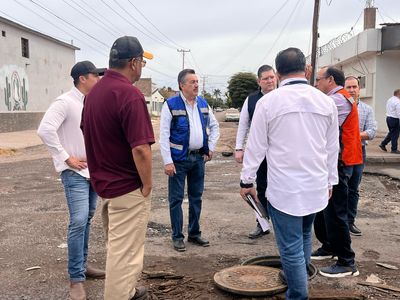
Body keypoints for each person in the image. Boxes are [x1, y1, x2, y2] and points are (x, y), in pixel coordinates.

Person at [240, 48, 339, 299]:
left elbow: (256, 146)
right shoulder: (325, 102)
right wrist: (330, 181)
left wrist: (247, 180)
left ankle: (297, 293)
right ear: (306, 70)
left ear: (278, 73)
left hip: (285, 189)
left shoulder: (268, 102)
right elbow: (331, 148)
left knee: (291, 246)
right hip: (316, 187)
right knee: (304, 235)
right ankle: (297, 276)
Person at [81, 36, 154, 300]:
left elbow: (88, 134)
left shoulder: (94, 94)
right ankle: (121, 295)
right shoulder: (129, 94)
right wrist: (147, 184)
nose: (142, 68)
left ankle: (129, 291)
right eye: (142, 63)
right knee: (126, 257)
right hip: (127, 188)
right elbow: (141, 149)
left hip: (106, 188)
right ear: (134, 63)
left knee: (118, 249)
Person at [37, 61, 106, 300]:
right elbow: (45, 130)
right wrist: (66, 158)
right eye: (94, 76)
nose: (98, 79)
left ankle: (83, 266)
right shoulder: (65, 102)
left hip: (92, 172)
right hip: (74, 173)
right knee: (78, 221)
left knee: (86, 220)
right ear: (82, 78)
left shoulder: (91, 102)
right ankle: (76, 279)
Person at [159, 69, 220, 252]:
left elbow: (214, 126)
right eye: (192, 82)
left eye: (197, 82)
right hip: (178, 160)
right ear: (181, 85)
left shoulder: (202, 103)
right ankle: (177, 236)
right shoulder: (170, 104)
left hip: (198, 159)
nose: (196, 85)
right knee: (176, 199)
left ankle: (194, 233)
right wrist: (167, 161)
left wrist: (211, 147)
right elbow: (164, 135)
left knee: (196, 198)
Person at [313, 66, 362, 278]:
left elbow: (319, 127)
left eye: (318, 79)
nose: (315, 84)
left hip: (340, 164)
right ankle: (329, 246)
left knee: (336, 212)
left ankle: (347, 261)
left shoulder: (337, 100)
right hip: (336, 162)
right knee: (326, 210)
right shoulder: (338, 98)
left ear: (330, 80)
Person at [235, 64, 277, 239]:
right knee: (258, 188)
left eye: (272, 77)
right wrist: (239, 148)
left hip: (279, 153)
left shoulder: (283, 96)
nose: (269, 81)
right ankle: (262, 223)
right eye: (265, 78)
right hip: (260, 152)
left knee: (278, 187)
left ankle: (282, 223)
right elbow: (243, 124)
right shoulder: (252, 100)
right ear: (259, 81)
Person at [345, 76, 377, 236]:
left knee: (353, 189)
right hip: (342, 152)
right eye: (348, 87)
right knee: (339, 188)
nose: (351, 90)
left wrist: (352, 135)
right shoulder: (339, 107)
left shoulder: (367, 109)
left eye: (354, 87)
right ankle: (338, 221)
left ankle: (350, 222)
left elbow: (371, 132)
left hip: (359, 152)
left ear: (359, 89)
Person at [379, 89, 400, 153]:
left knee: (392, 133)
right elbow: (399, 112)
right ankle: (394, 149)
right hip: (395, 119)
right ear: (399, 94)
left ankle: (383, 144)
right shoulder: (398, 101)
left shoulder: (390, 99)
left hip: (388, 118)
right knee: (395, 134)